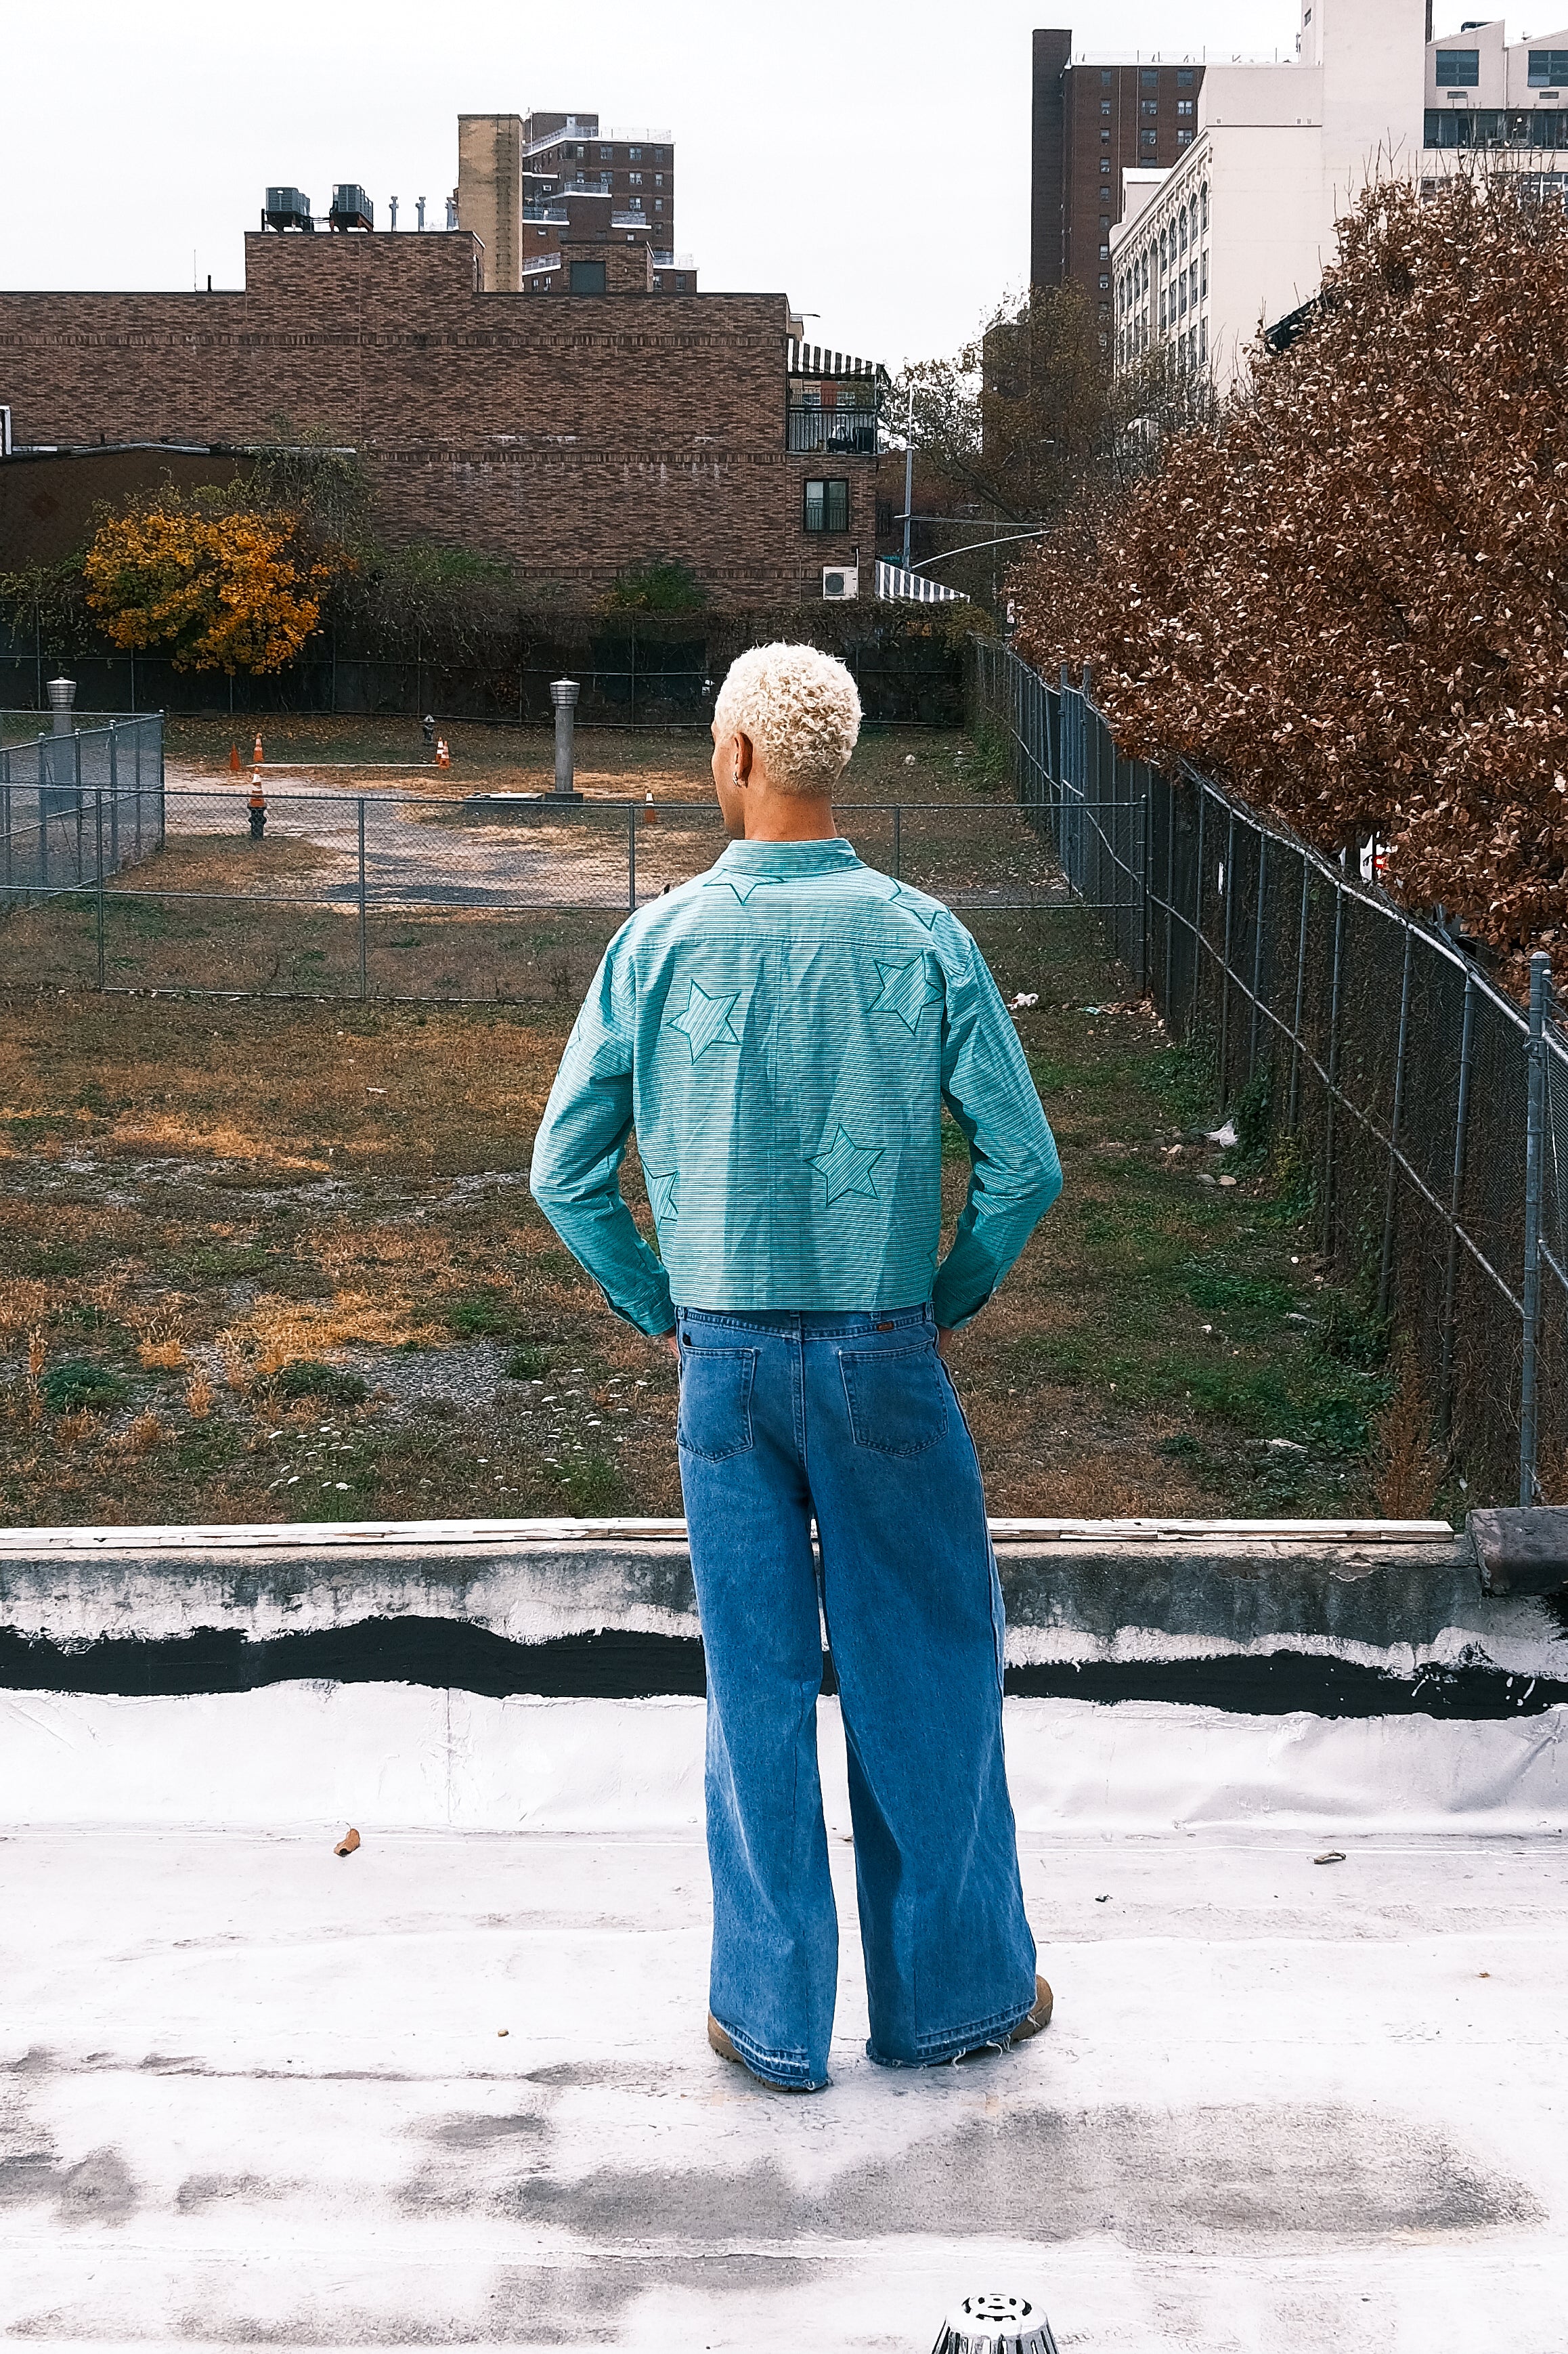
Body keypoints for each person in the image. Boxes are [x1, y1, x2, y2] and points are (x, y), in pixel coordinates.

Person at [529, 643, 1063, 2091]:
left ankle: (768, 2019)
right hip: (886, 1354)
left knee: (754, 1683)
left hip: (726, 1364)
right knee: (928, 1670)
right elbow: (1024, 1165)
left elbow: (564, 1175)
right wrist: (940, 1297)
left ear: (743, 760)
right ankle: (951, 2001)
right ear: (834, 764)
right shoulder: (925, 937)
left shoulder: (657, 944)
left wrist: (662, 1308)